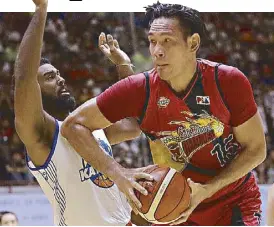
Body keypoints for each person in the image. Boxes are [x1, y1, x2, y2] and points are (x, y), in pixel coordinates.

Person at [61, 2, 266, 226]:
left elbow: (256, 150)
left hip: (231, 202)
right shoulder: (140, 88)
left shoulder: (228, 81)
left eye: (167, 41)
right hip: (171, 205)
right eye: (152, 41)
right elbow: (73, 125)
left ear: (193, 43)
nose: (157, 51)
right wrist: (118, 173)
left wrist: (206, 190)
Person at [13, 0, 155, 225]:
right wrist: (41, 10)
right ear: (35, 91)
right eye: (49, 77)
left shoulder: (89, 129)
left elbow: (132, 125)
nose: (60, 78)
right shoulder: (41, 135)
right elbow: (23, 78)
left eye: (58, 74)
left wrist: (124, 66)